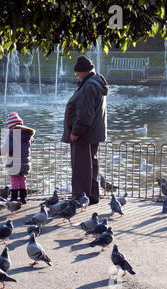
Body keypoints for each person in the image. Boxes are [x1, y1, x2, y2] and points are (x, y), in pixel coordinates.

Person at [61, 55, 109, 204]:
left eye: (77, 72)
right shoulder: (94, 82)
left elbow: (85, 113)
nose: (75, 75)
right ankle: (92, 196)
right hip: (92, 133)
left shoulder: (89, 86)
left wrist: (75, 132)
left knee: (81, 167)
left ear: (84, 72)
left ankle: (80, 198)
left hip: (84, 135)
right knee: (91, 166)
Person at [0, 112, 35, 204]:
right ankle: (23, 198)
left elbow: (8, 147)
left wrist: (1, 151)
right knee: (22, 179)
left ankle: (14, 197)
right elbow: (32, 141)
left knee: (14, 179)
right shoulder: (28, 134)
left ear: (11, 126)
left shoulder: (12, 134)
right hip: (25, 162)